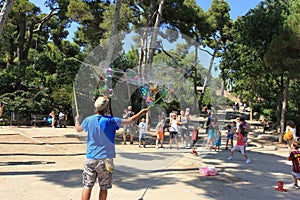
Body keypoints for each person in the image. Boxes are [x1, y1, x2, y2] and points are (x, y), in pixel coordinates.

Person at [75, 96, 148, 200]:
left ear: (95, 108)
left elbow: (78, 129)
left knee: (87, 185)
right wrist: (141, 112)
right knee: (104, 187)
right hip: (105, 160)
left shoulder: (88, 120)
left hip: (90, 158)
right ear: (107, 108)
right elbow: (131, 120)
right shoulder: (111, 121)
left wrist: (76, 120)